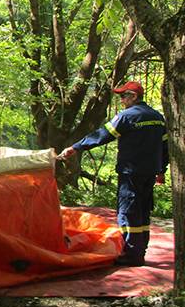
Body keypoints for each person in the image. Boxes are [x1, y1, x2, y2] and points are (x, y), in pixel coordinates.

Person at [59, 81, 168, 267]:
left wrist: (75, 147)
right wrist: (161, 170)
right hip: (150, 172)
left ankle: (131, 255)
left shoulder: (127, 116)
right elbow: (165, 148)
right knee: (143, 211)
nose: (122, 100)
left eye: (123, 96)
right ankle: (140, 251)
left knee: (128, 211)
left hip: (130, 172)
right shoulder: (158, 118)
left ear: (133, 96)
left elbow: (102, 135)